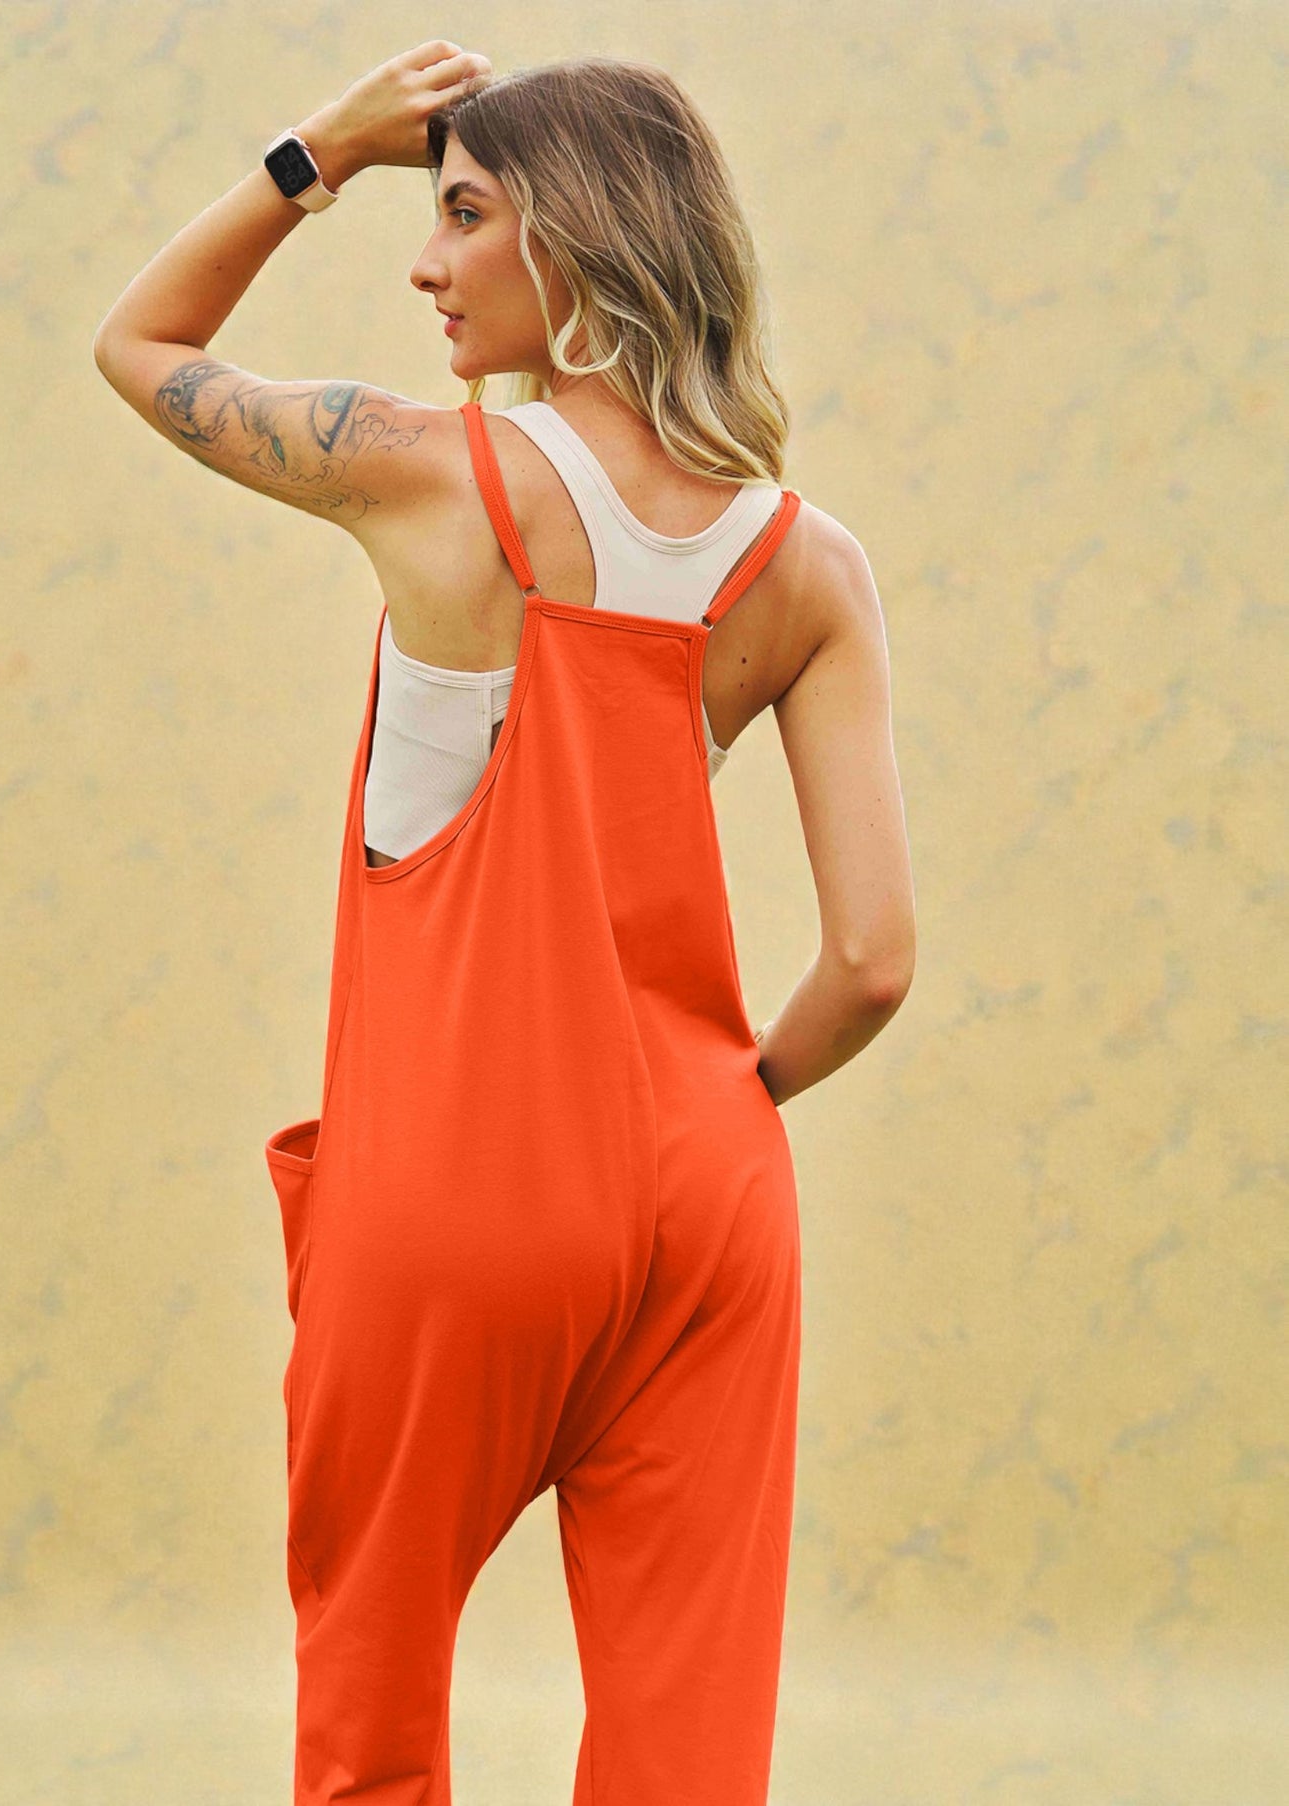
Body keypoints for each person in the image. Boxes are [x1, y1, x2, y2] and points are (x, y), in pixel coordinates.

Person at [94, 41, 915, 1806]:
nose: (424, 258)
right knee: (686, 1748)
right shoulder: (808, 562)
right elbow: (870, 963)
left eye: (462, 212)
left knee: (372, 1707)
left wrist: (319, 148)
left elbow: (139, 346)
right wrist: (704, 1109)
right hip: (709, 1202)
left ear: (583, 234)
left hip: (460, 1187)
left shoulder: (425, 474)